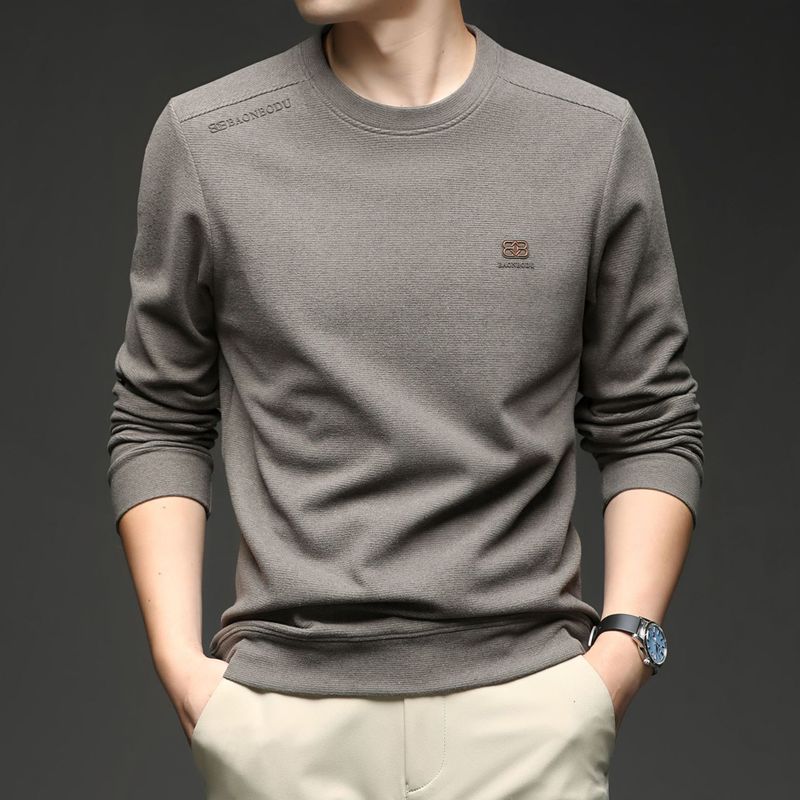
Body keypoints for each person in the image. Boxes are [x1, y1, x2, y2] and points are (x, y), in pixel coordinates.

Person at [107, 1, 704, 797]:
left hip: (530, 718)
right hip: (283, 726)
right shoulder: (206, 138)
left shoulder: (590, 137)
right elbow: (158, 415)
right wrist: (181, 667)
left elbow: (651, 420)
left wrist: (623, 652)